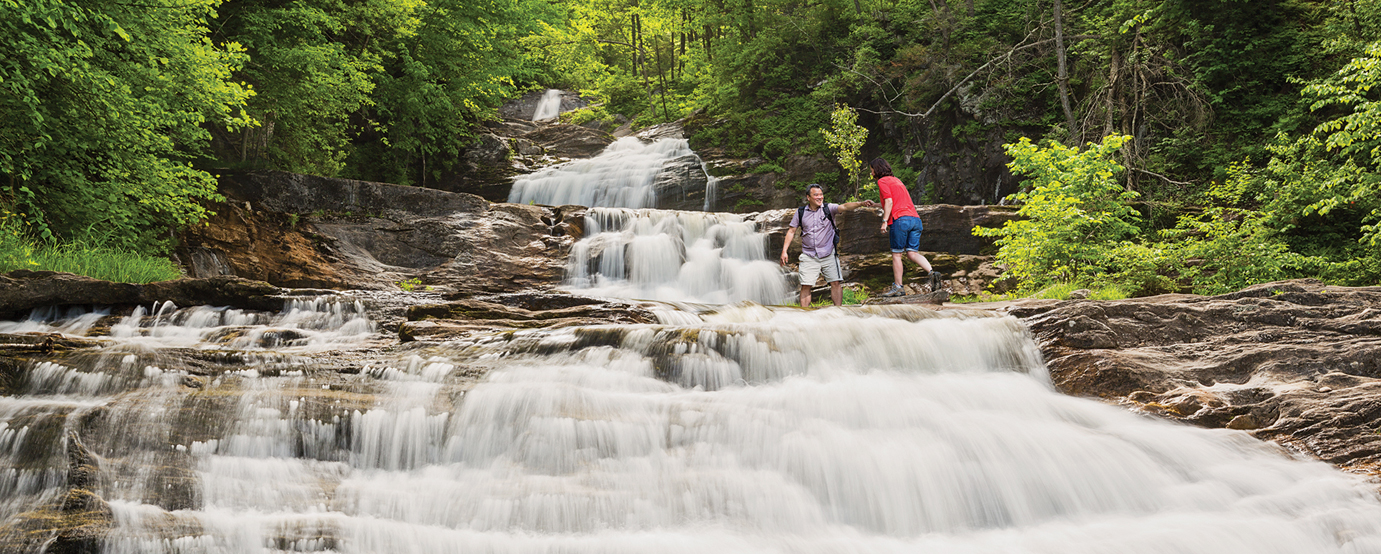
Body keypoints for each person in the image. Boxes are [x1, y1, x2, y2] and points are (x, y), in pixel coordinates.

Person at [779, 184, 873, 307]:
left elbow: (844, 206)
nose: (819, 197)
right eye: (816, 195)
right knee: (806, 285)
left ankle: (838, 311)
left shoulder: (829, 208)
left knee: (835, 283)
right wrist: (784, 251)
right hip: (809, 255)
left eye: (821, 194)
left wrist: (860, 203)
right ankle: (803, 315)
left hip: (828, 253)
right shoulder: (800, 212)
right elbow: (791, 231)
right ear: (808, 197)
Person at [871, 157, 941, 297]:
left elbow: (890, 202)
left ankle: (898, 287)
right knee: (912, 253)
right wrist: (876, 204)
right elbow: (895, 202)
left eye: (872, 170)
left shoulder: (882, 181)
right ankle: (932, 273)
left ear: (877, 169)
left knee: (897, 254)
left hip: (900, 221)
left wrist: (884, 221)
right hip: (915, 220)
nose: (871, 173)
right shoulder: (897, 181)